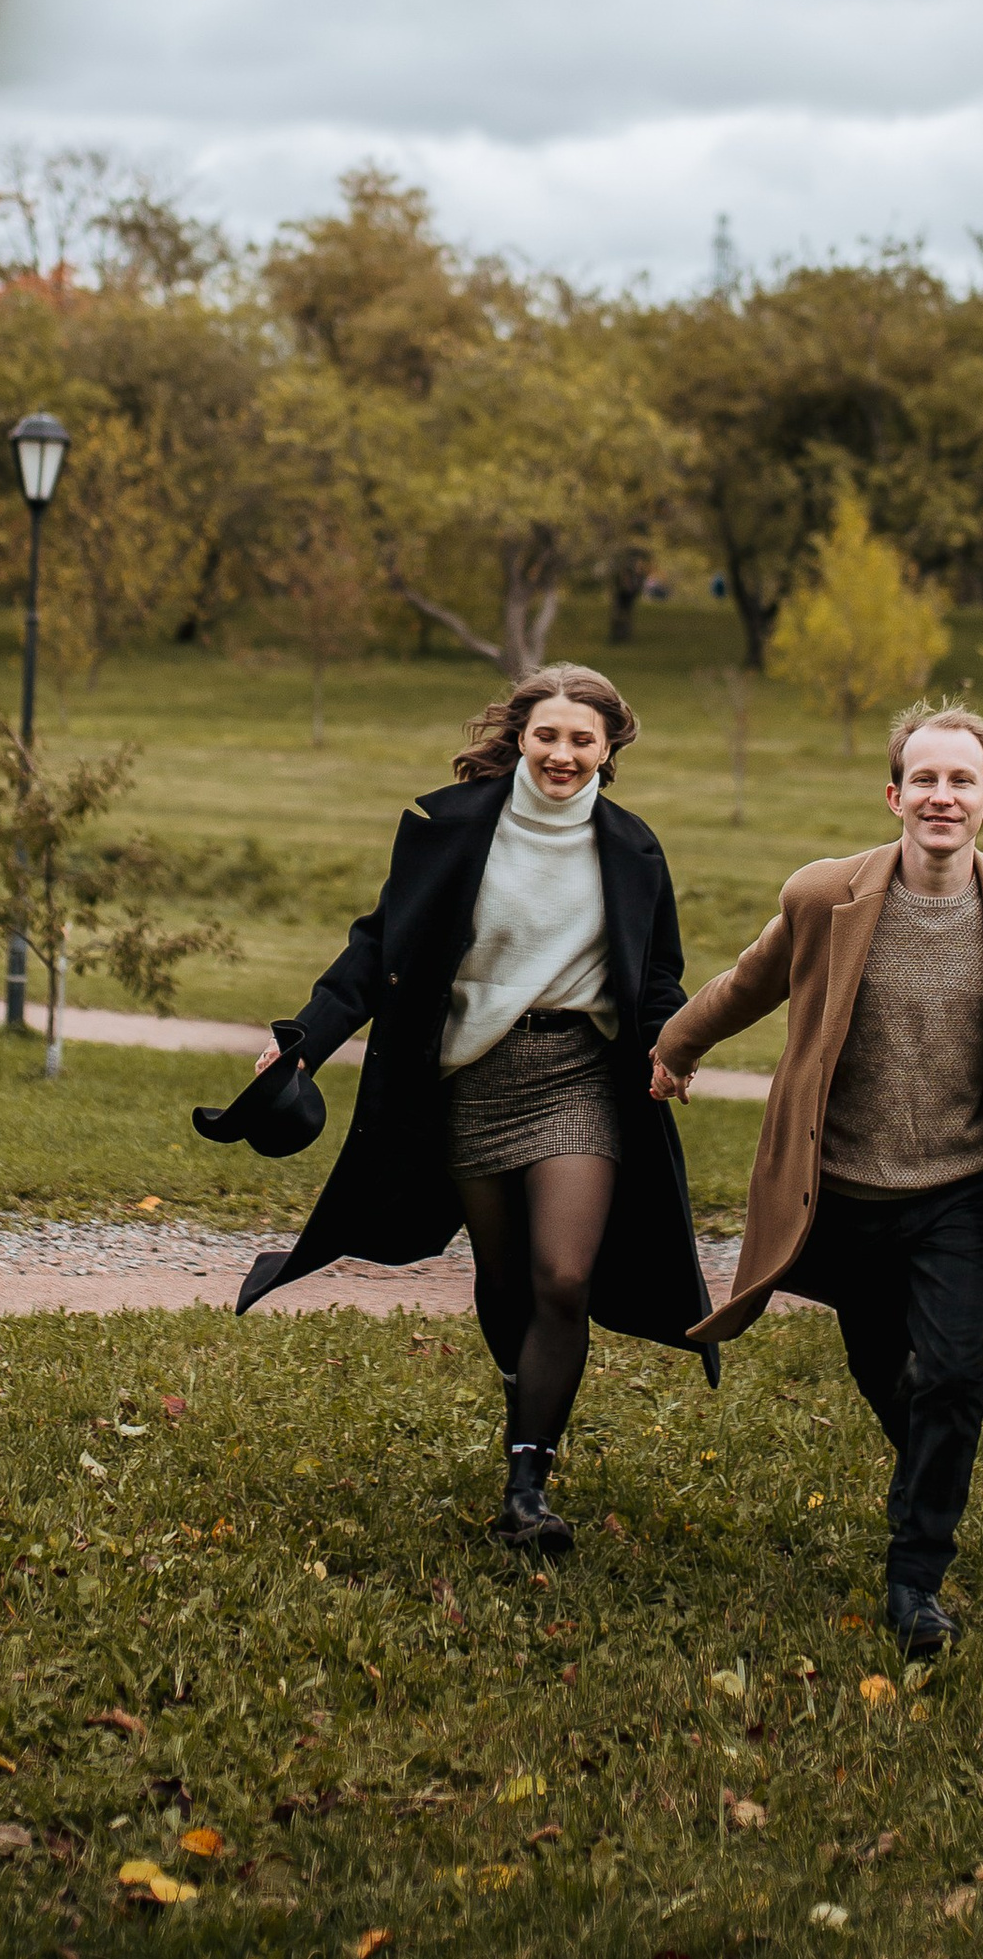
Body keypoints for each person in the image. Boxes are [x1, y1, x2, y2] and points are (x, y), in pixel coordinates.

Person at [650, 704, 983, 1656]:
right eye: (924, 778)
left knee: (952, 1375)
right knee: (888, 1371)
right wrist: (676, 1046)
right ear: (894, 795)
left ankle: (916, 1577)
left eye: (962, 781)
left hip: (958, 1192)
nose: (941, 796)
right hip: (837, 1195)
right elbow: (749, 982)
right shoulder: (823, 896)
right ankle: (929, 1470)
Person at [219, 663, 715, 1554]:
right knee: (505, 1278)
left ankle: (528, 1483)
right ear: (521, 737)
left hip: (577, 1074)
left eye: (582, 739)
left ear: (610, 750)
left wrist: (669, 1045)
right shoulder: (450, 831)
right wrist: (306, 1038)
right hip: (470, 1075)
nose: (563, 754)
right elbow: (380, 947)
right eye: (548, 735)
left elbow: (656, 973)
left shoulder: (634, 849)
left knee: (564, 1275)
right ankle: (523, 1390)